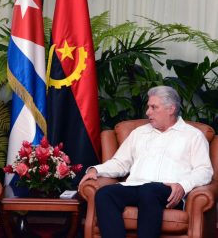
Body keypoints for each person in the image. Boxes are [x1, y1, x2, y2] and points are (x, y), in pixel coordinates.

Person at [79, 85, 213, 238]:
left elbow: (204, 170)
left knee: (149, 191)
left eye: (153, 107)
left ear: (171, 109)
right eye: (148, 107)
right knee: (105, 193)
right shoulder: (139, 133)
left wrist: (183, 185)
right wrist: (96, 170)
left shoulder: (193, 136)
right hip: (136, 187)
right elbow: (120, 162)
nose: (148, 112)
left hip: (168, 191)